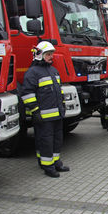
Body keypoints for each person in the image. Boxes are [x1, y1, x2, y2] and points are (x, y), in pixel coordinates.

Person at [21, 41, 69, 178]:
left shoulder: (53, 70)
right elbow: (27, 94)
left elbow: (59, 92)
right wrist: (35, 111)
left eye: (51, 54)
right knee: (46, 141)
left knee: (57, 140)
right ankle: (47, 166)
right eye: (48, 54)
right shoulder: (32, 72)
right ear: (39, 55)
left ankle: (56, 162)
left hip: (57, 114)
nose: (51, 57)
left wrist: (63, 106)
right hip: (43, 116)